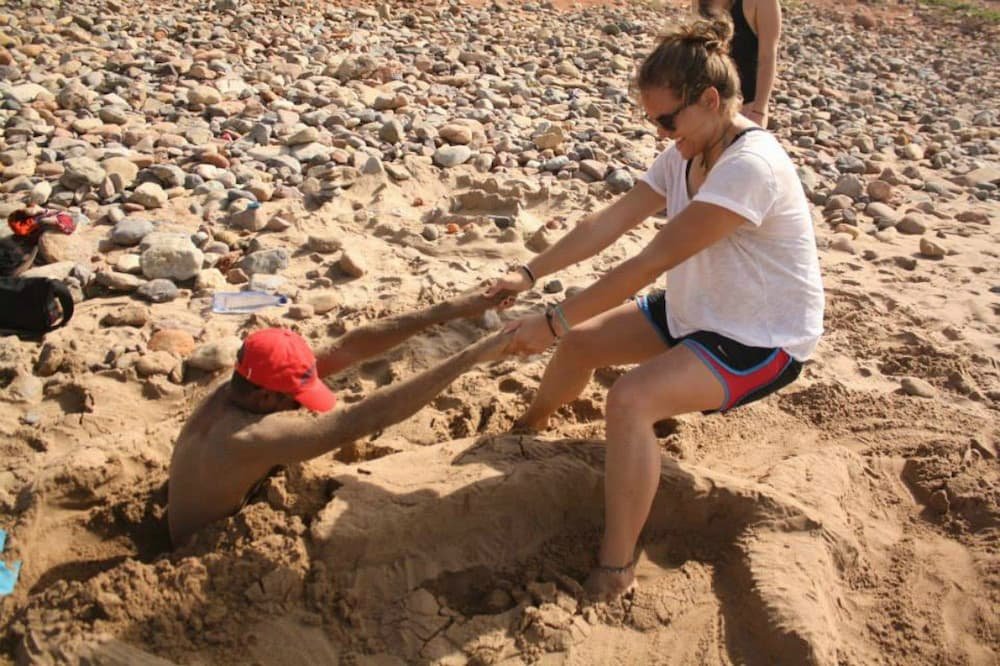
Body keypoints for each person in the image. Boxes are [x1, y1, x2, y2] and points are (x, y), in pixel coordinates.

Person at [486, 15, 823, 600]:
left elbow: (646, 262)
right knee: (583, 342)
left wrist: (550, 319)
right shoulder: (690, 150)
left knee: (631, 399)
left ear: (711, 99)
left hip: (761, 337)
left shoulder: (750, 166)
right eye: (654, 122)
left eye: (668, 120)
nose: (664, 134)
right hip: (699, 307)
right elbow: (611, 221)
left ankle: (616, 569)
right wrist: (530, 272)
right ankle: (530, 430)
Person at [168, 287, 513, 546]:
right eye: (295, 399)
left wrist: (452, 309)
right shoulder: (249, 436)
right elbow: (365, 418)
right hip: (201, 547)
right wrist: (473, 355)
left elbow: (348, 348)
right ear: (265, 395)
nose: (300, 406)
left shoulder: (234, 385)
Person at [693, 0, 781, 128]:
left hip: (745, 106)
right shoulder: (701, 2)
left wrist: (759, 111)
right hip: (705, 102)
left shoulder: (763, 3)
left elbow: (767, 58)